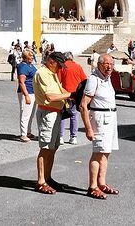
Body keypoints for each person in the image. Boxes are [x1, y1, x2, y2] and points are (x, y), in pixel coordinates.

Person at [80, 53, 119, 200]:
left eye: (111, 64)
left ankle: (101, 183)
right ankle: (92, 186)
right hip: (100, 119)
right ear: (99, 64)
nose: (109, 67)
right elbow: (83, 105)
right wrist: (88, 128)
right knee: (97, 152)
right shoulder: (93, 79)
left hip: (110, 118)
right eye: (106, 64)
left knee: (106, 152)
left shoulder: (107, 79)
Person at [33, 51, 71, 194]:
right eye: (59, 65)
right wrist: (70, 95)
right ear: (51, 61)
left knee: (53, 147)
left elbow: (61, 90)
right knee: (46, 147)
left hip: (55, 113)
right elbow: (50, 96)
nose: (60, 68)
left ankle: (48, 178)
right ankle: (41, 181)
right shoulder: (43, 73)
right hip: (47, 112)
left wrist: (70, 94)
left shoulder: (52, 73)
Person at [58, 52, 87, 145]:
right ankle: (73, 137)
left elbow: (58, 81)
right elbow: (84, 80)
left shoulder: (63, 67)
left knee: (63, 115)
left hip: (65, 94)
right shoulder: (78, 66)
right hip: (75, 95)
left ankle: (60, 136)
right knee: (74, 116)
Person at [17, 49, 38, 142]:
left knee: (31, 114)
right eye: (30, 57)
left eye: (32, 57)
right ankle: (23, 134)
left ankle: (28, 132)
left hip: (33, 92)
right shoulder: (23, 67)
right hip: (27, 91)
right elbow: (21, 82)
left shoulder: (30, 65)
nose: (32, 58)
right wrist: (26, 95)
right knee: (25, 113)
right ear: (25, 57)